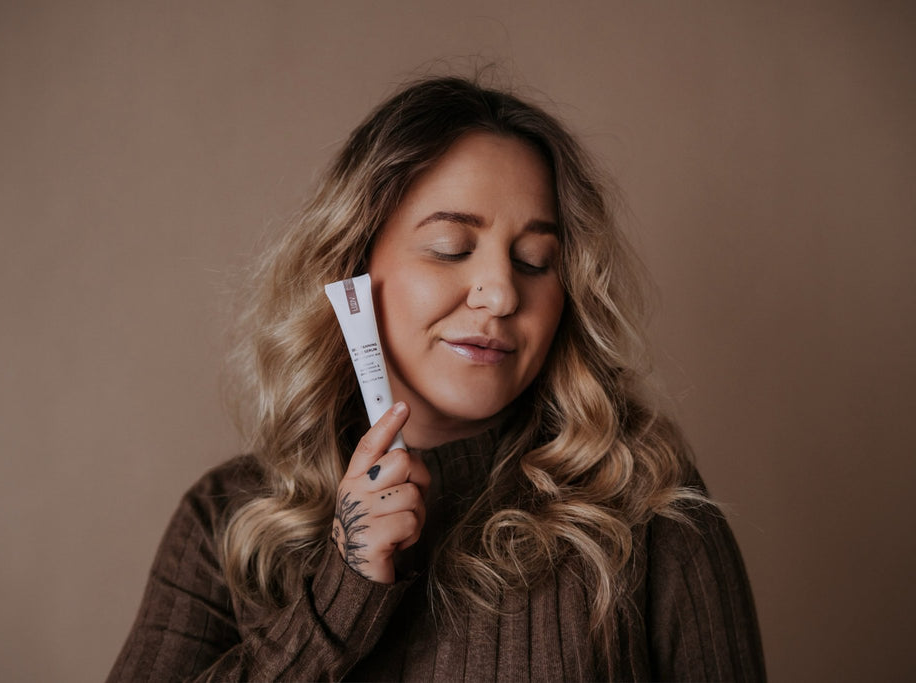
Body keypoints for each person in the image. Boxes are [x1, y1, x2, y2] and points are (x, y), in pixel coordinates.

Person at [108, 75, 765, 681]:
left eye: (536, 260)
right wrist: (341, 594)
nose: (502, 292)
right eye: (452, 247)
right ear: (354, 260)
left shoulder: (644, 504)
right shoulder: (227, 519)